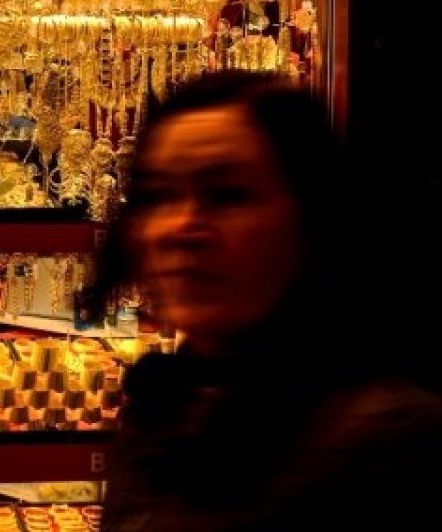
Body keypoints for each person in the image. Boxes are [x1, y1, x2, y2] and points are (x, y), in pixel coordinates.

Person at [90, 71, 441, 531]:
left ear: (312, 216)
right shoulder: (168, 406)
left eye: (227, 196)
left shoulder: (388, 443)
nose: (179, 228)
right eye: (159, 196)